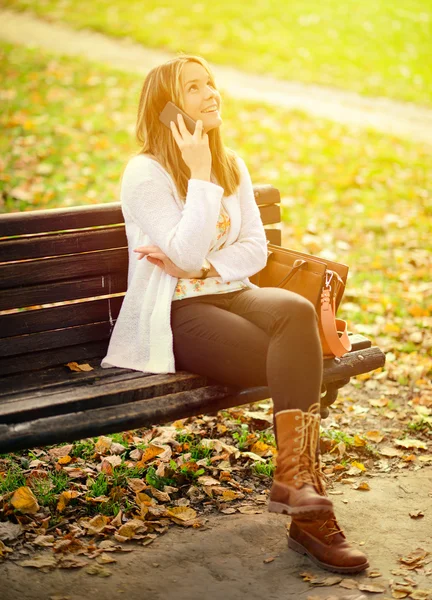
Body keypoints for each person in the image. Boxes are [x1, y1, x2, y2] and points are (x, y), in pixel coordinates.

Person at [101, 54, 369, 574]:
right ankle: (310, 514)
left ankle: (299, 484)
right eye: (195, 88)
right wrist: (198, 180)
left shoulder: (232, 164)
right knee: (295, 356)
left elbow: (253, 251)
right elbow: (176, 258)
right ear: (167, 109)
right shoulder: (145, 173)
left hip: (230, 292)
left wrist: (200, 265)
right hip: (175, 313)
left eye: (211, 84)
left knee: (293, 311)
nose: (211, 94)